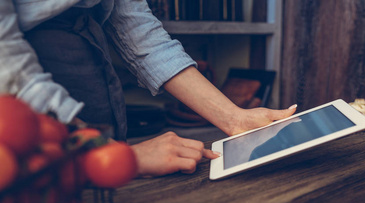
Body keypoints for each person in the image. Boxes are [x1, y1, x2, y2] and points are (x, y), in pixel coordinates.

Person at [0, 0, 297, 177]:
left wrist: (234, 118)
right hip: (24, 93)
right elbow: (6, 57)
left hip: (88, 65)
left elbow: (141, 33)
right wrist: (119, 156)